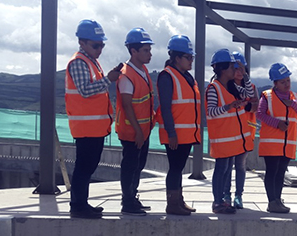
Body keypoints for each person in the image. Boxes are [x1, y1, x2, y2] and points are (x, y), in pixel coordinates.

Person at [66, 19, 122, 219]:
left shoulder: (91, 62)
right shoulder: (79, 62)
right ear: (82, 42)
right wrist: (109, 79)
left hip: (94, 127)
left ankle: (82, 203)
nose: (100, 49)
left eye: (102, 45)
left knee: (88, 166)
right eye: (96, 45)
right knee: (84, 166)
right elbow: (85, 90)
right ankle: (78, 205)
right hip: (85, 127)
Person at [205, 49, 255, 214]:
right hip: (222, 139)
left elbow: (249, 94)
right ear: (222, 68)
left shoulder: (232, 87)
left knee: (226, 170)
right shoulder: (214, 88)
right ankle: (217, 202)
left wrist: (245, 75)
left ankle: (222, 202)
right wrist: (228, 107)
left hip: (230, 139)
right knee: (221, 170)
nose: (236, 70)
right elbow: (211, 111)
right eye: (233, 67)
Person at [157, 35, 200, 216]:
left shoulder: (186, 77)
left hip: (187, 134)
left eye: (192, 57)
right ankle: (172, 204)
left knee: (179, 168)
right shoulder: (167, 76)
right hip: (175, 134)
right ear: (177, 58)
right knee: (175, 168)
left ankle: (179, 200)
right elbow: (165, 107)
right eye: (188, 57)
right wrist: (171, 133)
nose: (191, 61)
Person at [115, 28, 155, 216]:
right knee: (130, 166)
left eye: (149, 50)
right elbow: (127, 105)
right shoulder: (127, 74)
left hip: (143, 130)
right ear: (133, 51)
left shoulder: (142, 70)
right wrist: (138, 131)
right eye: (146, 50)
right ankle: (127, 201)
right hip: (132, 132)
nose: (150, 54)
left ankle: (133, 197)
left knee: (138, 165)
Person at [257, 63, 297, 213]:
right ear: (275, 83)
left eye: (288, 80)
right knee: (272, 171)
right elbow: (259, 114)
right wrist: (277, 123)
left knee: (281, 173)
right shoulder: (267, 96)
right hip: (271, 143)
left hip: (288, 144)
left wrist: (292, 104)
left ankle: (278, 200)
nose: (286, 84)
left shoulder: (295, 98)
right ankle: (272, 202)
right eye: (282, 82)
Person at [223, 51, 258, 209]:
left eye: (241, 68)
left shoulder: (251, 87)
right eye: (235, 67)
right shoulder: (226, 86)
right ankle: (226, 194)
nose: (238, 71)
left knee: (241, 165)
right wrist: (246, 104)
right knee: (228, 165)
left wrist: (245, 105)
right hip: (230, 131)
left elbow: (255, 105)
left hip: (245, 132)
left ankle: (238, 195)